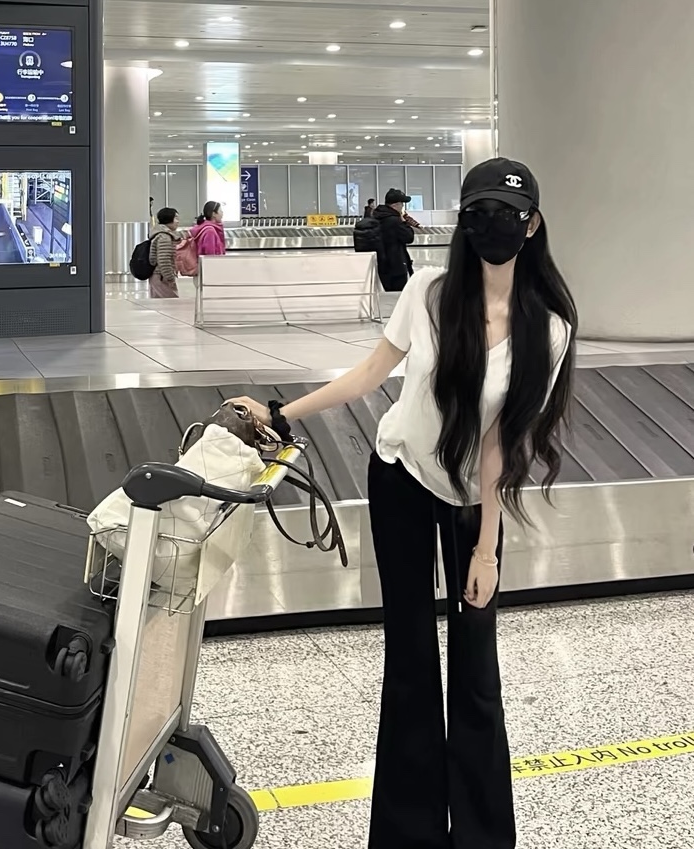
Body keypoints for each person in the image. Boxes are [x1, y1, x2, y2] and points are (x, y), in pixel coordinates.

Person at [232, 158, 576, 849]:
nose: (491, 227)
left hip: (474, 498)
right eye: (477, 214)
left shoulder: (548, 328)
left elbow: (499, 445)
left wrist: (485, 550)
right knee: (411, 654)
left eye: (506, 215)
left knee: (475, 663)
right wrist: (280, 413)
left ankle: (481, 834)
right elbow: (369, 374)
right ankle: (407, 833)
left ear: (532, 224)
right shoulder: (427, 291)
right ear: (463, 222)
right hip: (400, 479)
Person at [376, 188, 415, 291]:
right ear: (395, 205)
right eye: (402, 204)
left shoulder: (378, 217)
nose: (402, 207)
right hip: (396, 266)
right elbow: (409, 237)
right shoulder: (394, 221)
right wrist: (404, 222)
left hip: (382, 265)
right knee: (398, 294)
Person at [148, 207, 180, 299]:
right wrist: (170, 278)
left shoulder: (161, 234)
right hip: (161, 277)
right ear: (168, 219)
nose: (178, 221)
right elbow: (164, 260)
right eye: (176, 218)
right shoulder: (164, 237)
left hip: (159, 276)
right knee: (171, 302)